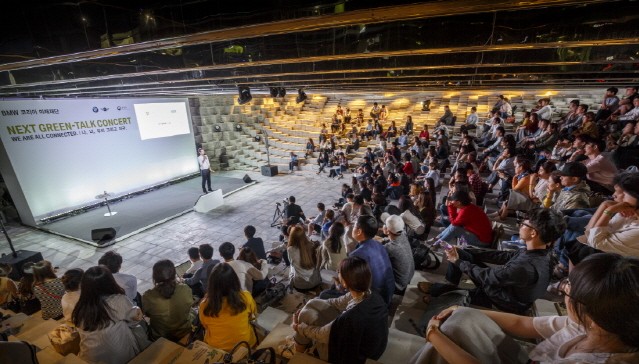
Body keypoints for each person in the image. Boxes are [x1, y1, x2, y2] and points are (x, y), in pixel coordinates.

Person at [409, 253, 639, 364]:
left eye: (568, 291)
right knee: (463, 316)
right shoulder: (589, 325)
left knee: (442, 342)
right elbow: (524, 323)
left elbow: (492, 277)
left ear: (596, 316)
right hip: (532, 358)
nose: (562, 292)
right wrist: (459, 309)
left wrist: (433, 334)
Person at [421, 208, 565, 314]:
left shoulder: (527, 266)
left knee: (458, 290)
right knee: (463, 253)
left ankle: (442, 291)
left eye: (523, 224)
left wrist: (457, 262)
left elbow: (488, 276)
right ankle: (449, 283)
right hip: (509, 288)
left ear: (533, 233)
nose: (520, 226)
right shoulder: (543, 251)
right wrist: (468, 250)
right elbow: (503, 257)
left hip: (505, 302)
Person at [291, 257, 389, 363]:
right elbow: (336, 302)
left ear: (345, 283)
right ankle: (301, 343)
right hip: (374, 348)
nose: (337, 274)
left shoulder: (350, 317)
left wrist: (298, 327)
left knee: (306, 316)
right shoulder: (369, 293)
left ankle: (299, 350)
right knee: (312, 305)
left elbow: (321, 334)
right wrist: (312, 303)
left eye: (339, 273)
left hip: (354, 358)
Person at [73, 266, 148, 364]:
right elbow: (134, 322)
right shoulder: (118, 300)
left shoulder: (81, 306)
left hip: (90, 357)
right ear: (109, 281)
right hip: (121, 356)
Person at [199, 263, 258, 352]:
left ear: (212, 284)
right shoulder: (246, 297)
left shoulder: (204, 305)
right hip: (245, 346)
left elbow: (205, 326)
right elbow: (252, 316)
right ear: (235, 281)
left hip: (217, 350)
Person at [142, 260, 194, 341]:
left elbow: (147, 314)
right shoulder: (185, 289)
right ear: (174, 274)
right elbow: (190, 304)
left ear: (155, 277)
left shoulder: (148, 296)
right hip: (185, 330)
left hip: (161, 336)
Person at [350, 215, 395, 306]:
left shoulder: (357, 255)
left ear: (359, 231)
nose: (352, 228)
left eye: (354, 226)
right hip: (388, 293)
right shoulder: (378, 244)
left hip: (375, 299)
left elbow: (355, 284)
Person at [382, 215, 415, 294]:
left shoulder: (390, 248)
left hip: (399, 285)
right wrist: (383, 239)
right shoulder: (403, 233)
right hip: (409, 276)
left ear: (387, 230)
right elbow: (392, 239)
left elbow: (376, 251)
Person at [287, 226, 322, 291]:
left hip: (299, 286)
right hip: (315, 282)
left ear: (291, 236)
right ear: (304, 235)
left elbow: (291, 263)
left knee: (291, 266)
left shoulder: (290, 250)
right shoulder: (312, 245)